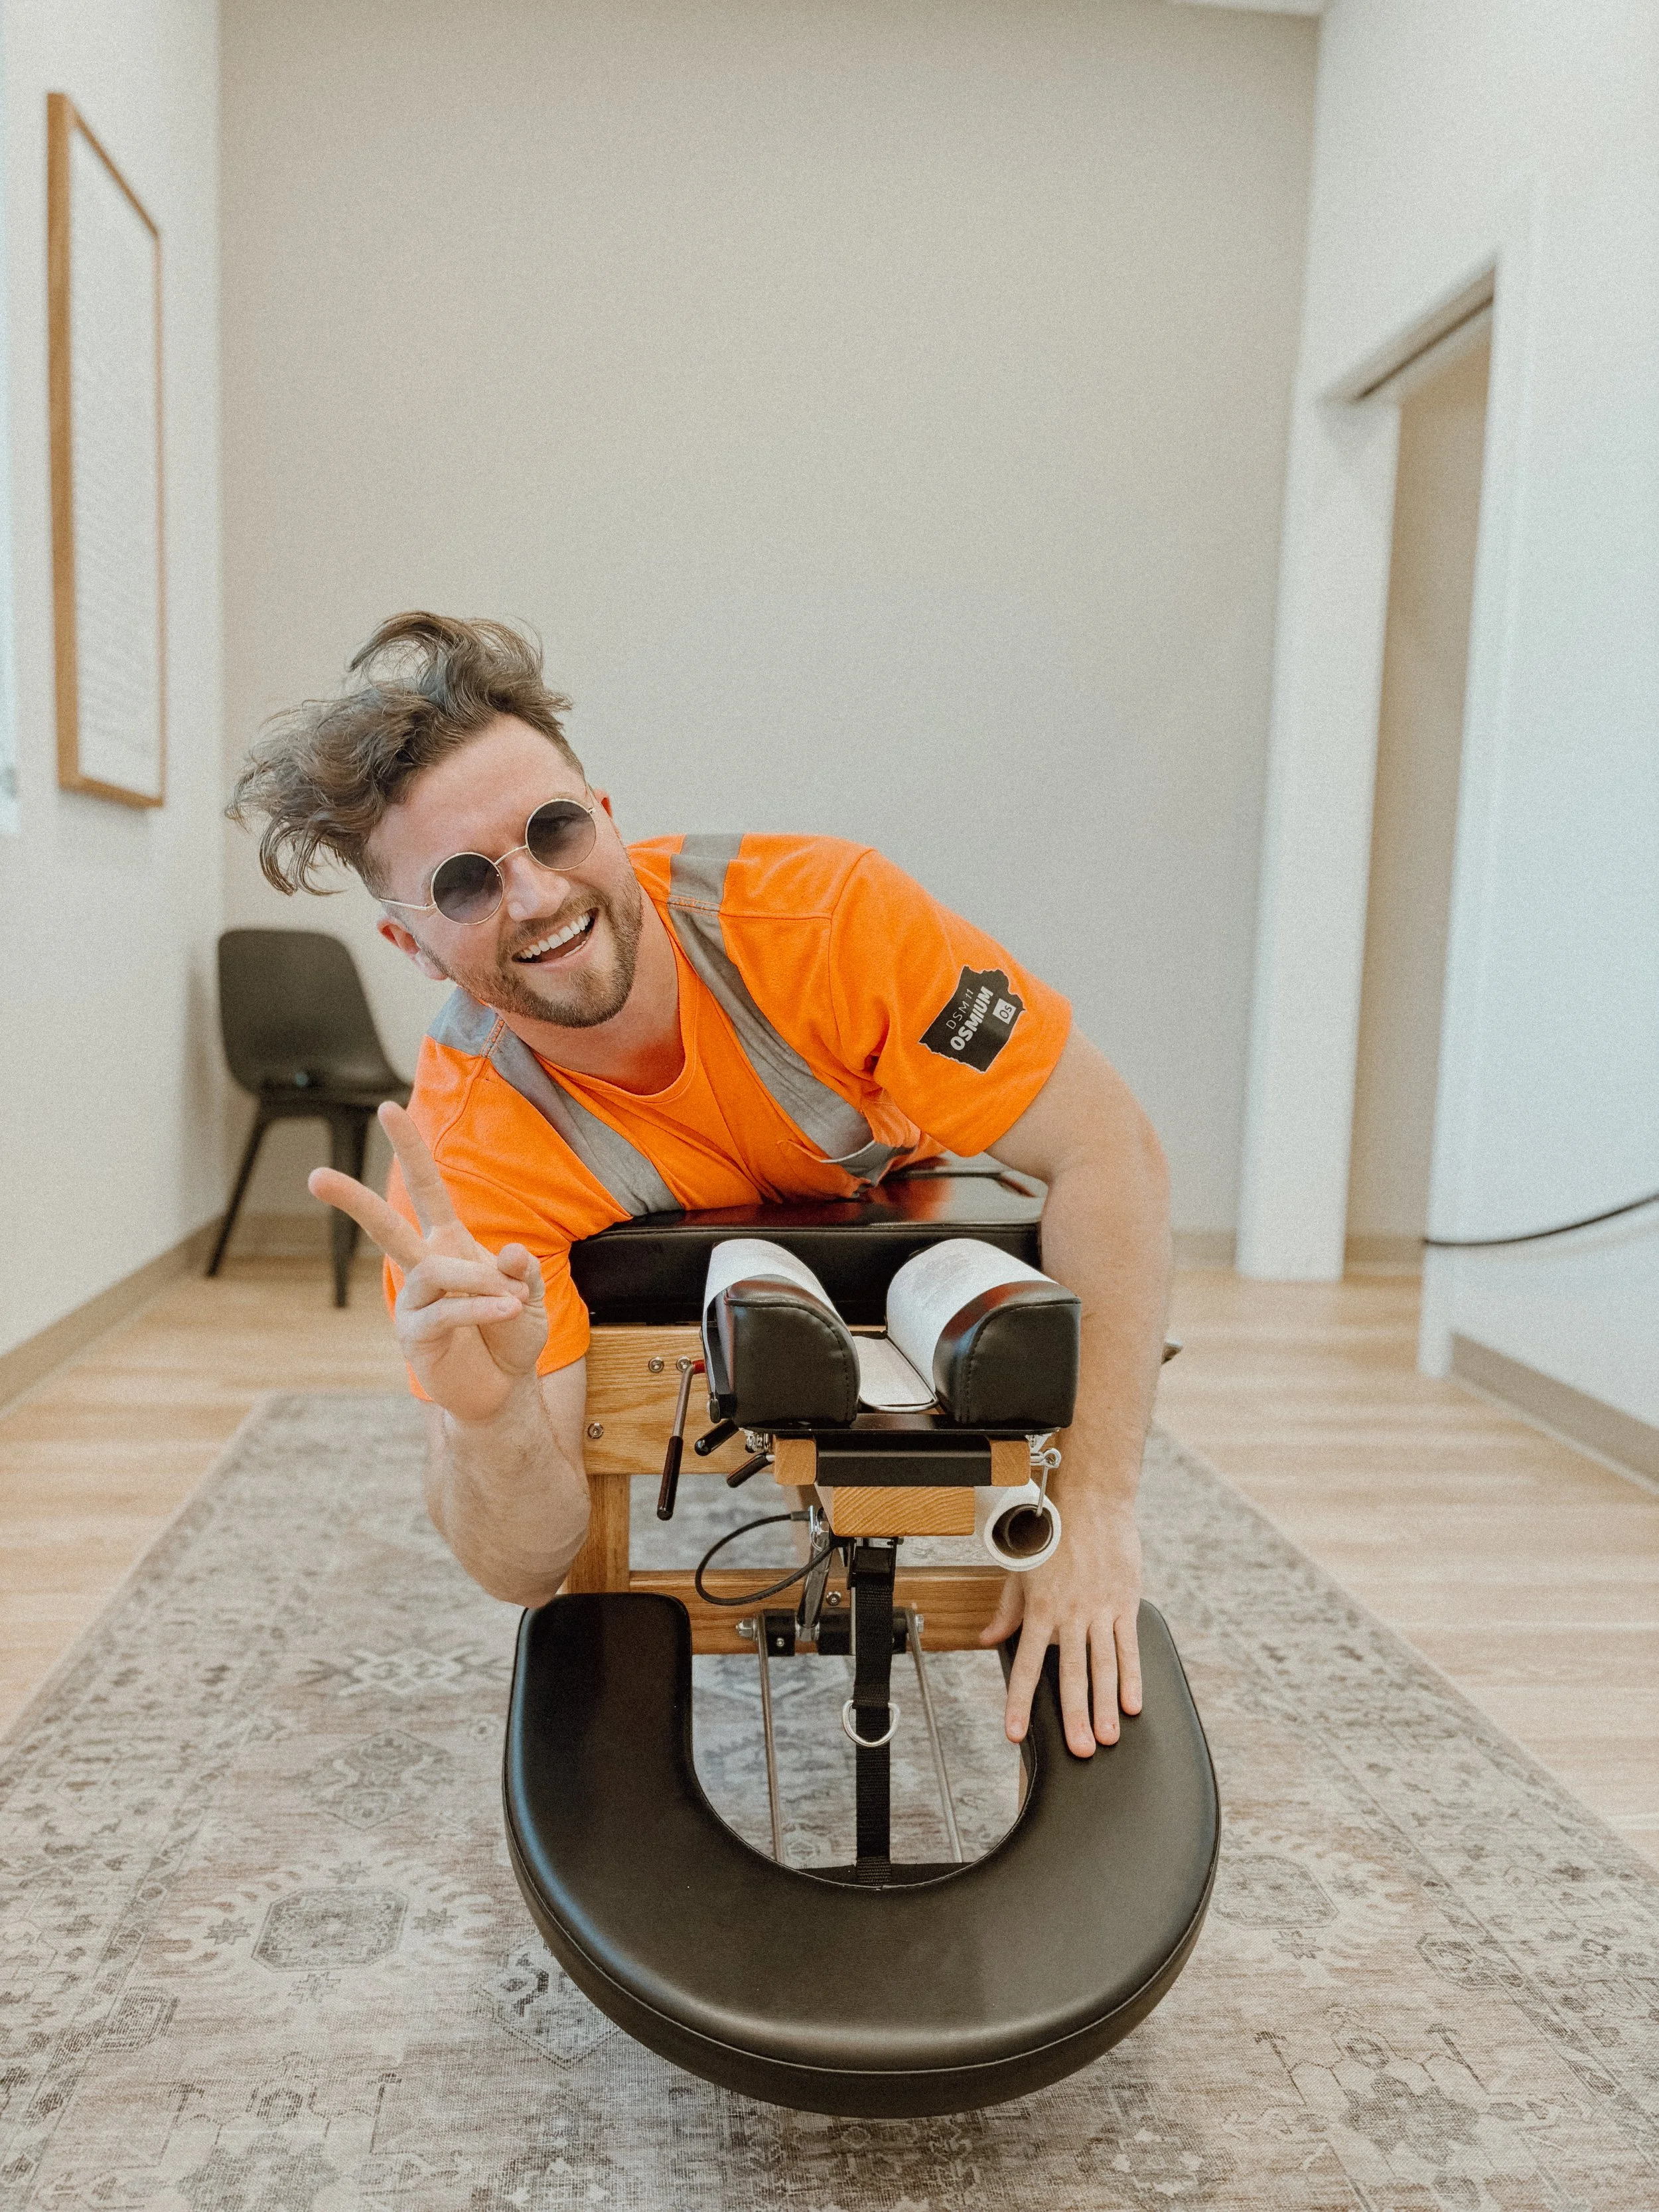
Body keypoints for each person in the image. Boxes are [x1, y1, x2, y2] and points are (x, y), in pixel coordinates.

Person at [230, 612, 1171, 1761]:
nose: (534, 895)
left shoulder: (832, 918)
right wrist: (485, 1418)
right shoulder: (465, 1146)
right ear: (412, 945)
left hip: (885, 1184)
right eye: (467, 884)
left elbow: (1109, 1150)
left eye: (555, 830)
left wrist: (1096, 1508)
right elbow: (525, 1565)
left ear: (608, 822)